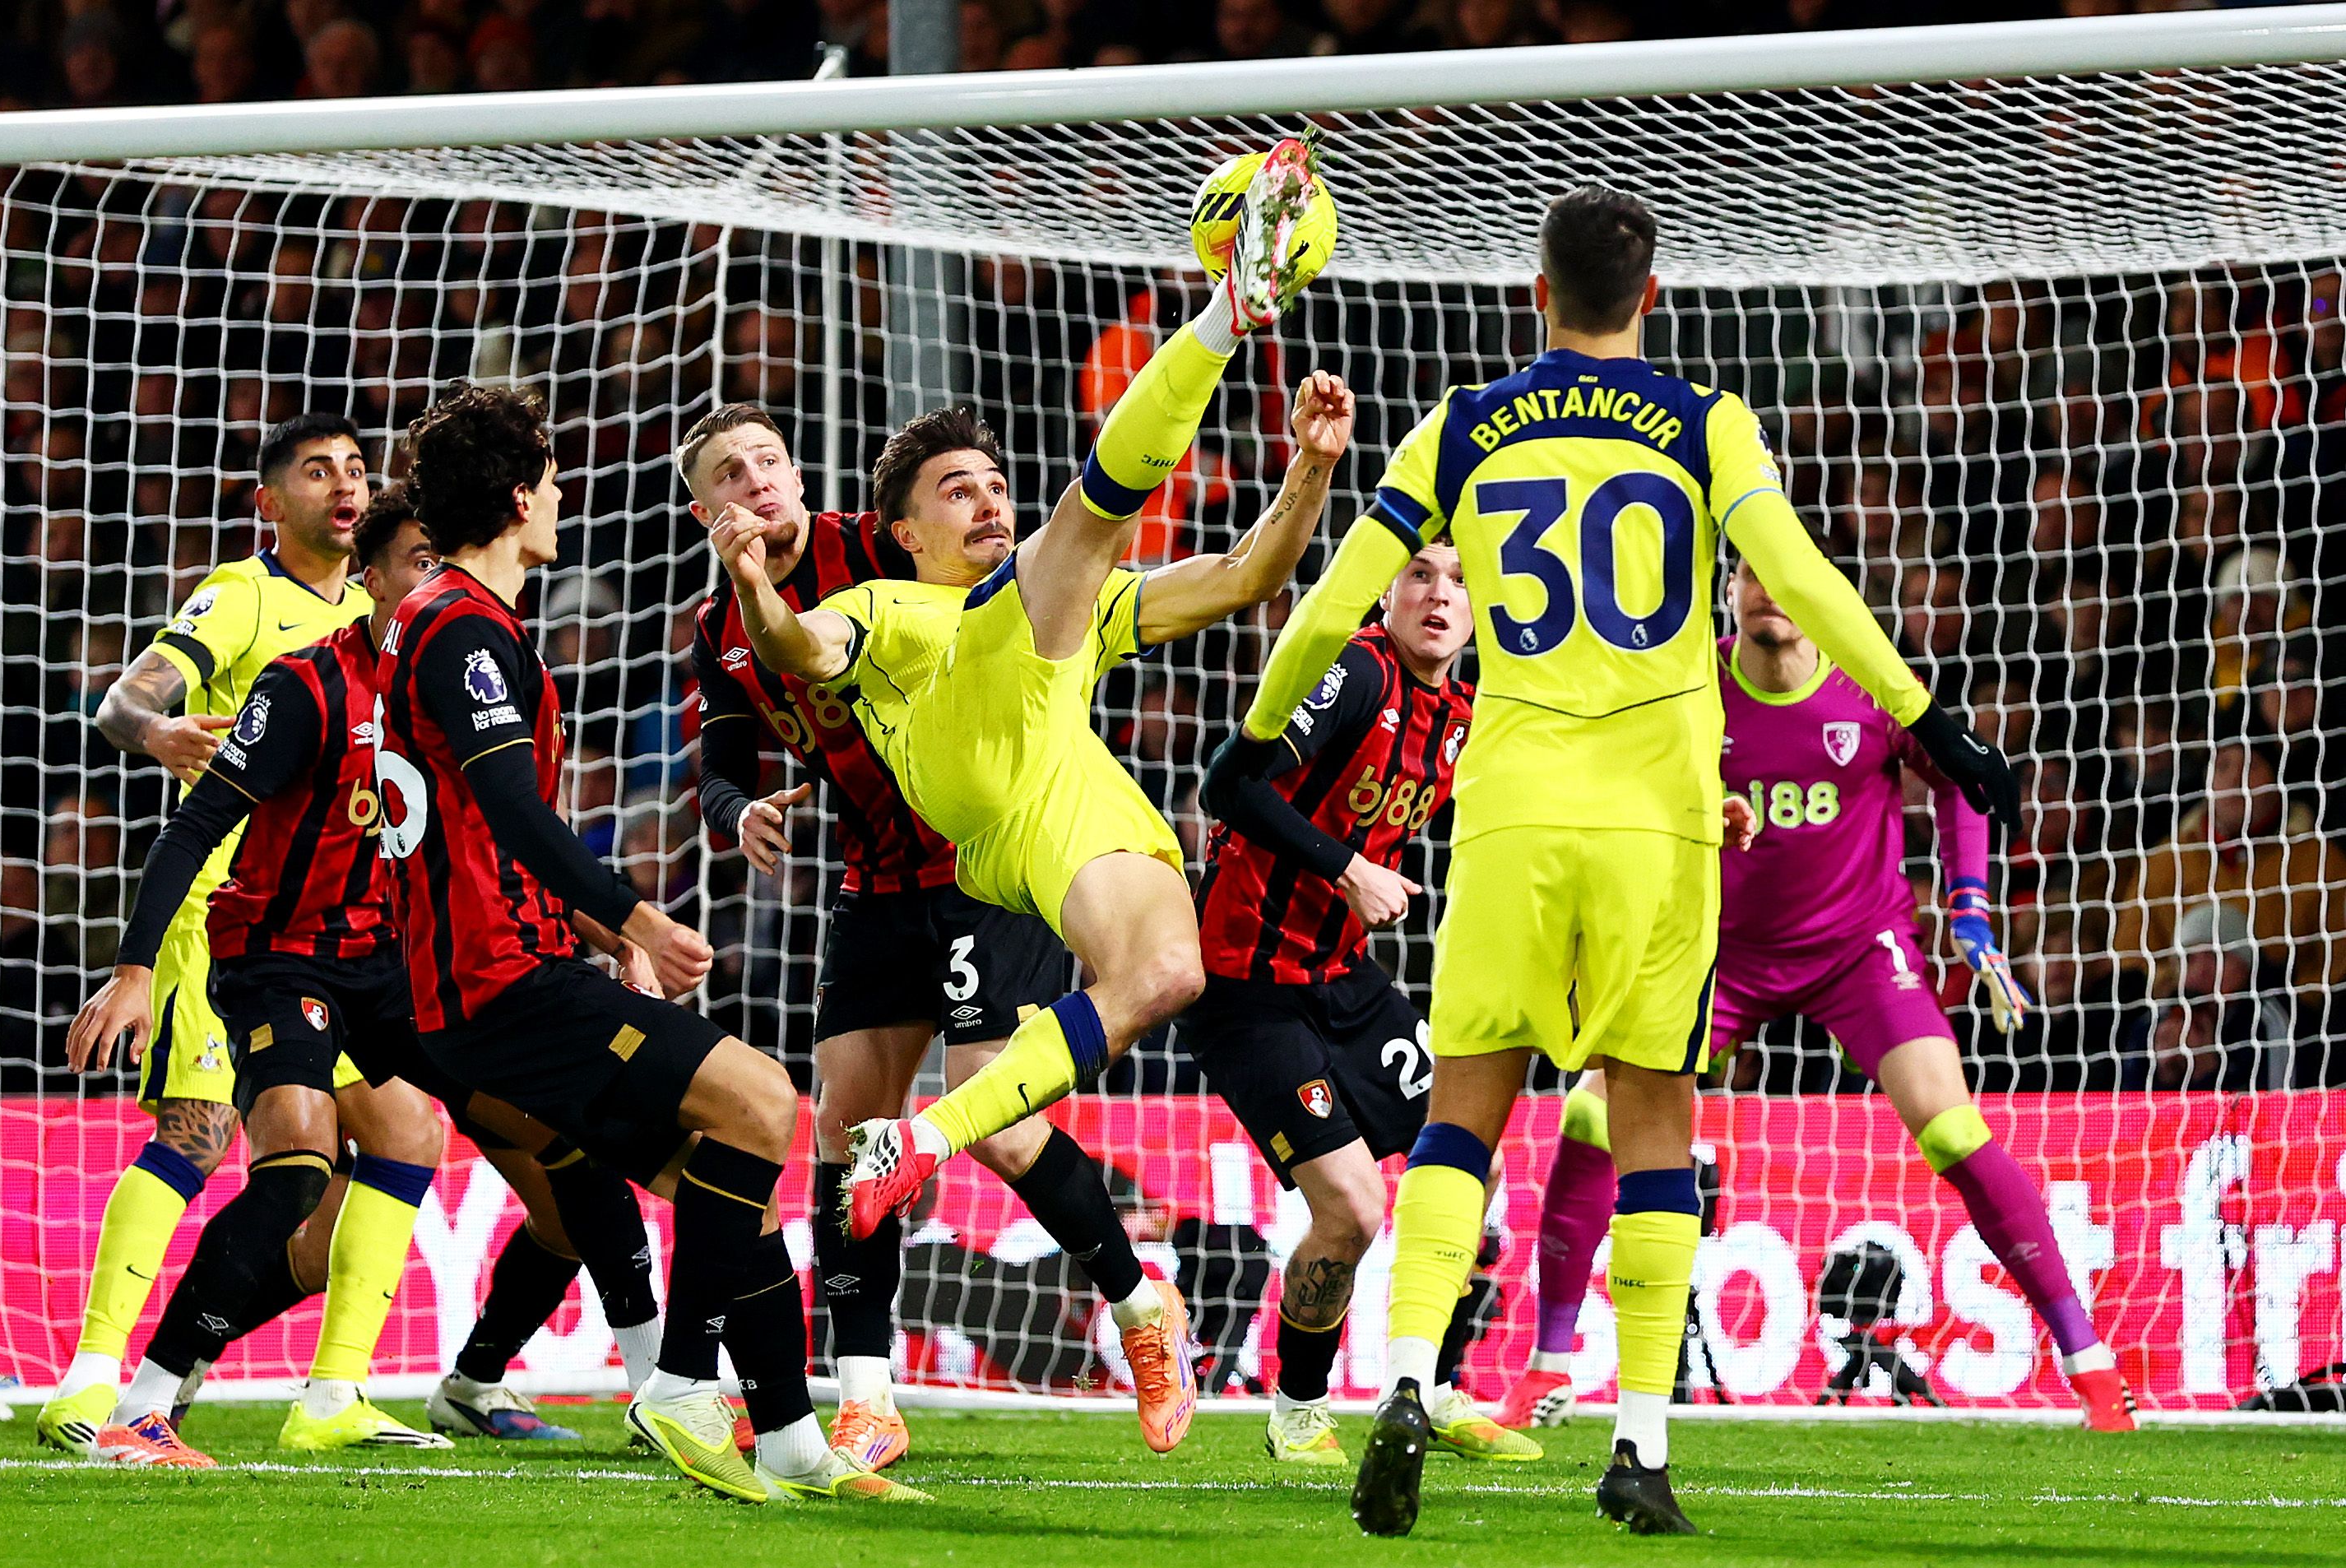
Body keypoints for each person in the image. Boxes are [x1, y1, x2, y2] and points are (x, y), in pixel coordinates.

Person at [1212, 186, 2019, 1537]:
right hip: (1654, 826)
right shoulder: (1705, 422)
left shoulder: (1460, 421)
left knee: (1465, 1114)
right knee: (1654, 1132)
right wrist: (1928, 715)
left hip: (1514, 810)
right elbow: (1801, 578)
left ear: (1536, 296)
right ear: (1651, 299)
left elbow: (1339, 592)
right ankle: (1639, 1443)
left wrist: (1251, 735)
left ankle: (1406, 1378)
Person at [712, 150, 1343, 1427]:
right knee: (844, 1129)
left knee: (1165, 975)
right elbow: (787, 654)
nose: (989, 499)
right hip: (938, 831)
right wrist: (754, 590)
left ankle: (1097, 1290)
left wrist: (1313, 473)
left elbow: (1237, 580)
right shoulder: (881, 605)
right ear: (902, 532)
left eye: (998, 484)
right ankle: (872, 1391)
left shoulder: (1059, 591)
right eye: (961, 490)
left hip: (1065, 814)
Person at [380, 383, 921, 1504]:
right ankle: (678, 1382)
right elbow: (515, 812)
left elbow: (489, 823)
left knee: (733, 1176)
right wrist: (632, 917)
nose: (566, 492)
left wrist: (600, 930)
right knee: (769, 1100)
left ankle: (789, 1438)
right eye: (552, 474)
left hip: (507, 973)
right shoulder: (459, 627)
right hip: (501, 982)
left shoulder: (459, 622)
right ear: (519, 495)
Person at [1490, 558, 2130, 1437]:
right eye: (1749, 571)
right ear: (1727, 592)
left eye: (1783, 572)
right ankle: (1548, 1366)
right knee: (1588, 1118)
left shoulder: (1871, 680)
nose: (1767, 587)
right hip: (1717, 955)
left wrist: (1969, 904)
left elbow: (1957, 776)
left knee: (1950, 1126)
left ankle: (2089, 1366)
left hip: (1858, 950)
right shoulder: (1689, 688)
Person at [684, 402, 1175, 1467]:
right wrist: (740, 811)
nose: (759, 479)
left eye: (770, 458)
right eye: (733, 469)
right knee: (847, 1128)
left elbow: (877, 630)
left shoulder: (878, 547)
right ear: (706, 504)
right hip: (874, 878)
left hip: (980, 861)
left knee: (996, 1121)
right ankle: (868, 1395)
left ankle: (1142, 1306)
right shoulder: (719, 626)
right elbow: (724, 755)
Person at [64, 484, 455, 1463]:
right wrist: (133, 966)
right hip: (251, 935)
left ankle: (334, 1389)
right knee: (247, 1149)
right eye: (416, 563)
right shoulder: (284, 649)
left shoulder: (439, 681)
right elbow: (160, 758)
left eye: (356, 465)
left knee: (415, 1129)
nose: (345, 483)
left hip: (365, 952)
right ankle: (114, 1387)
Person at [1189, 541, 1538, 1467]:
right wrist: (1345, 868)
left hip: (1342, 977)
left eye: (1461, 580)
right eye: (1419, 572)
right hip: (1245, 987)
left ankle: (1432, 1383)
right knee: (1350, 1209)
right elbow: (1227, 785)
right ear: (1386, 588)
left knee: (1476, 1163)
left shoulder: (1467, 712)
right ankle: (1297, 1410)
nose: (1437, 593)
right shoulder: (1354, 670)